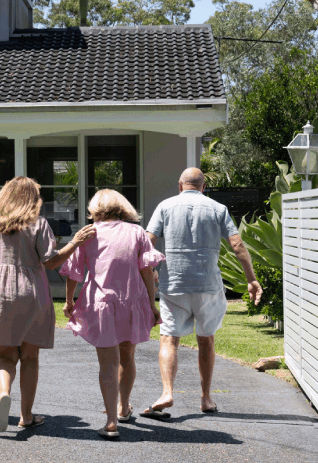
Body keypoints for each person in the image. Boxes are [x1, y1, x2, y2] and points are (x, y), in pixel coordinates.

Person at [0, 177, 92, 432]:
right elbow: (51, 262)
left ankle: (4, 395)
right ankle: (26, 415)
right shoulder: (39, 223)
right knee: (30, 358)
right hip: (32, 292)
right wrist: (75, 242)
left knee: (5, 355)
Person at [141, 167, 262, 420]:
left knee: (169, 338)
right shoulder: (218, 209)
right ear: (203, 187)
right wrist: (251, 279)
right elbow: (237, 244)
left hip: (174, 282)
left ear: (180, 185)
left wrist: (151, 269)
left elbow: (147, 242)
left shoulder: (165, 206)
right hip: (208, 284)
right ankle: (206, 398)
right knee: (206, 338)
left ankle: (167, 393)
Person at [61, 189, 164, 440]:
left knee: (108, 362)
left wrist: (68, 300)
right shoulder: (137, 232)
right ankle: (123, 407)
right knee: (127, 356)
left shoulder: (88, 233)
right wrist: (151, 305)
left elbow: (74, 272)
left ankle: (110, 421)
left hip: (101, 302)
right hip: (132, 301)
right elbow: (147, 272)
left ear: (95, 208)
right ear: (122, 206)